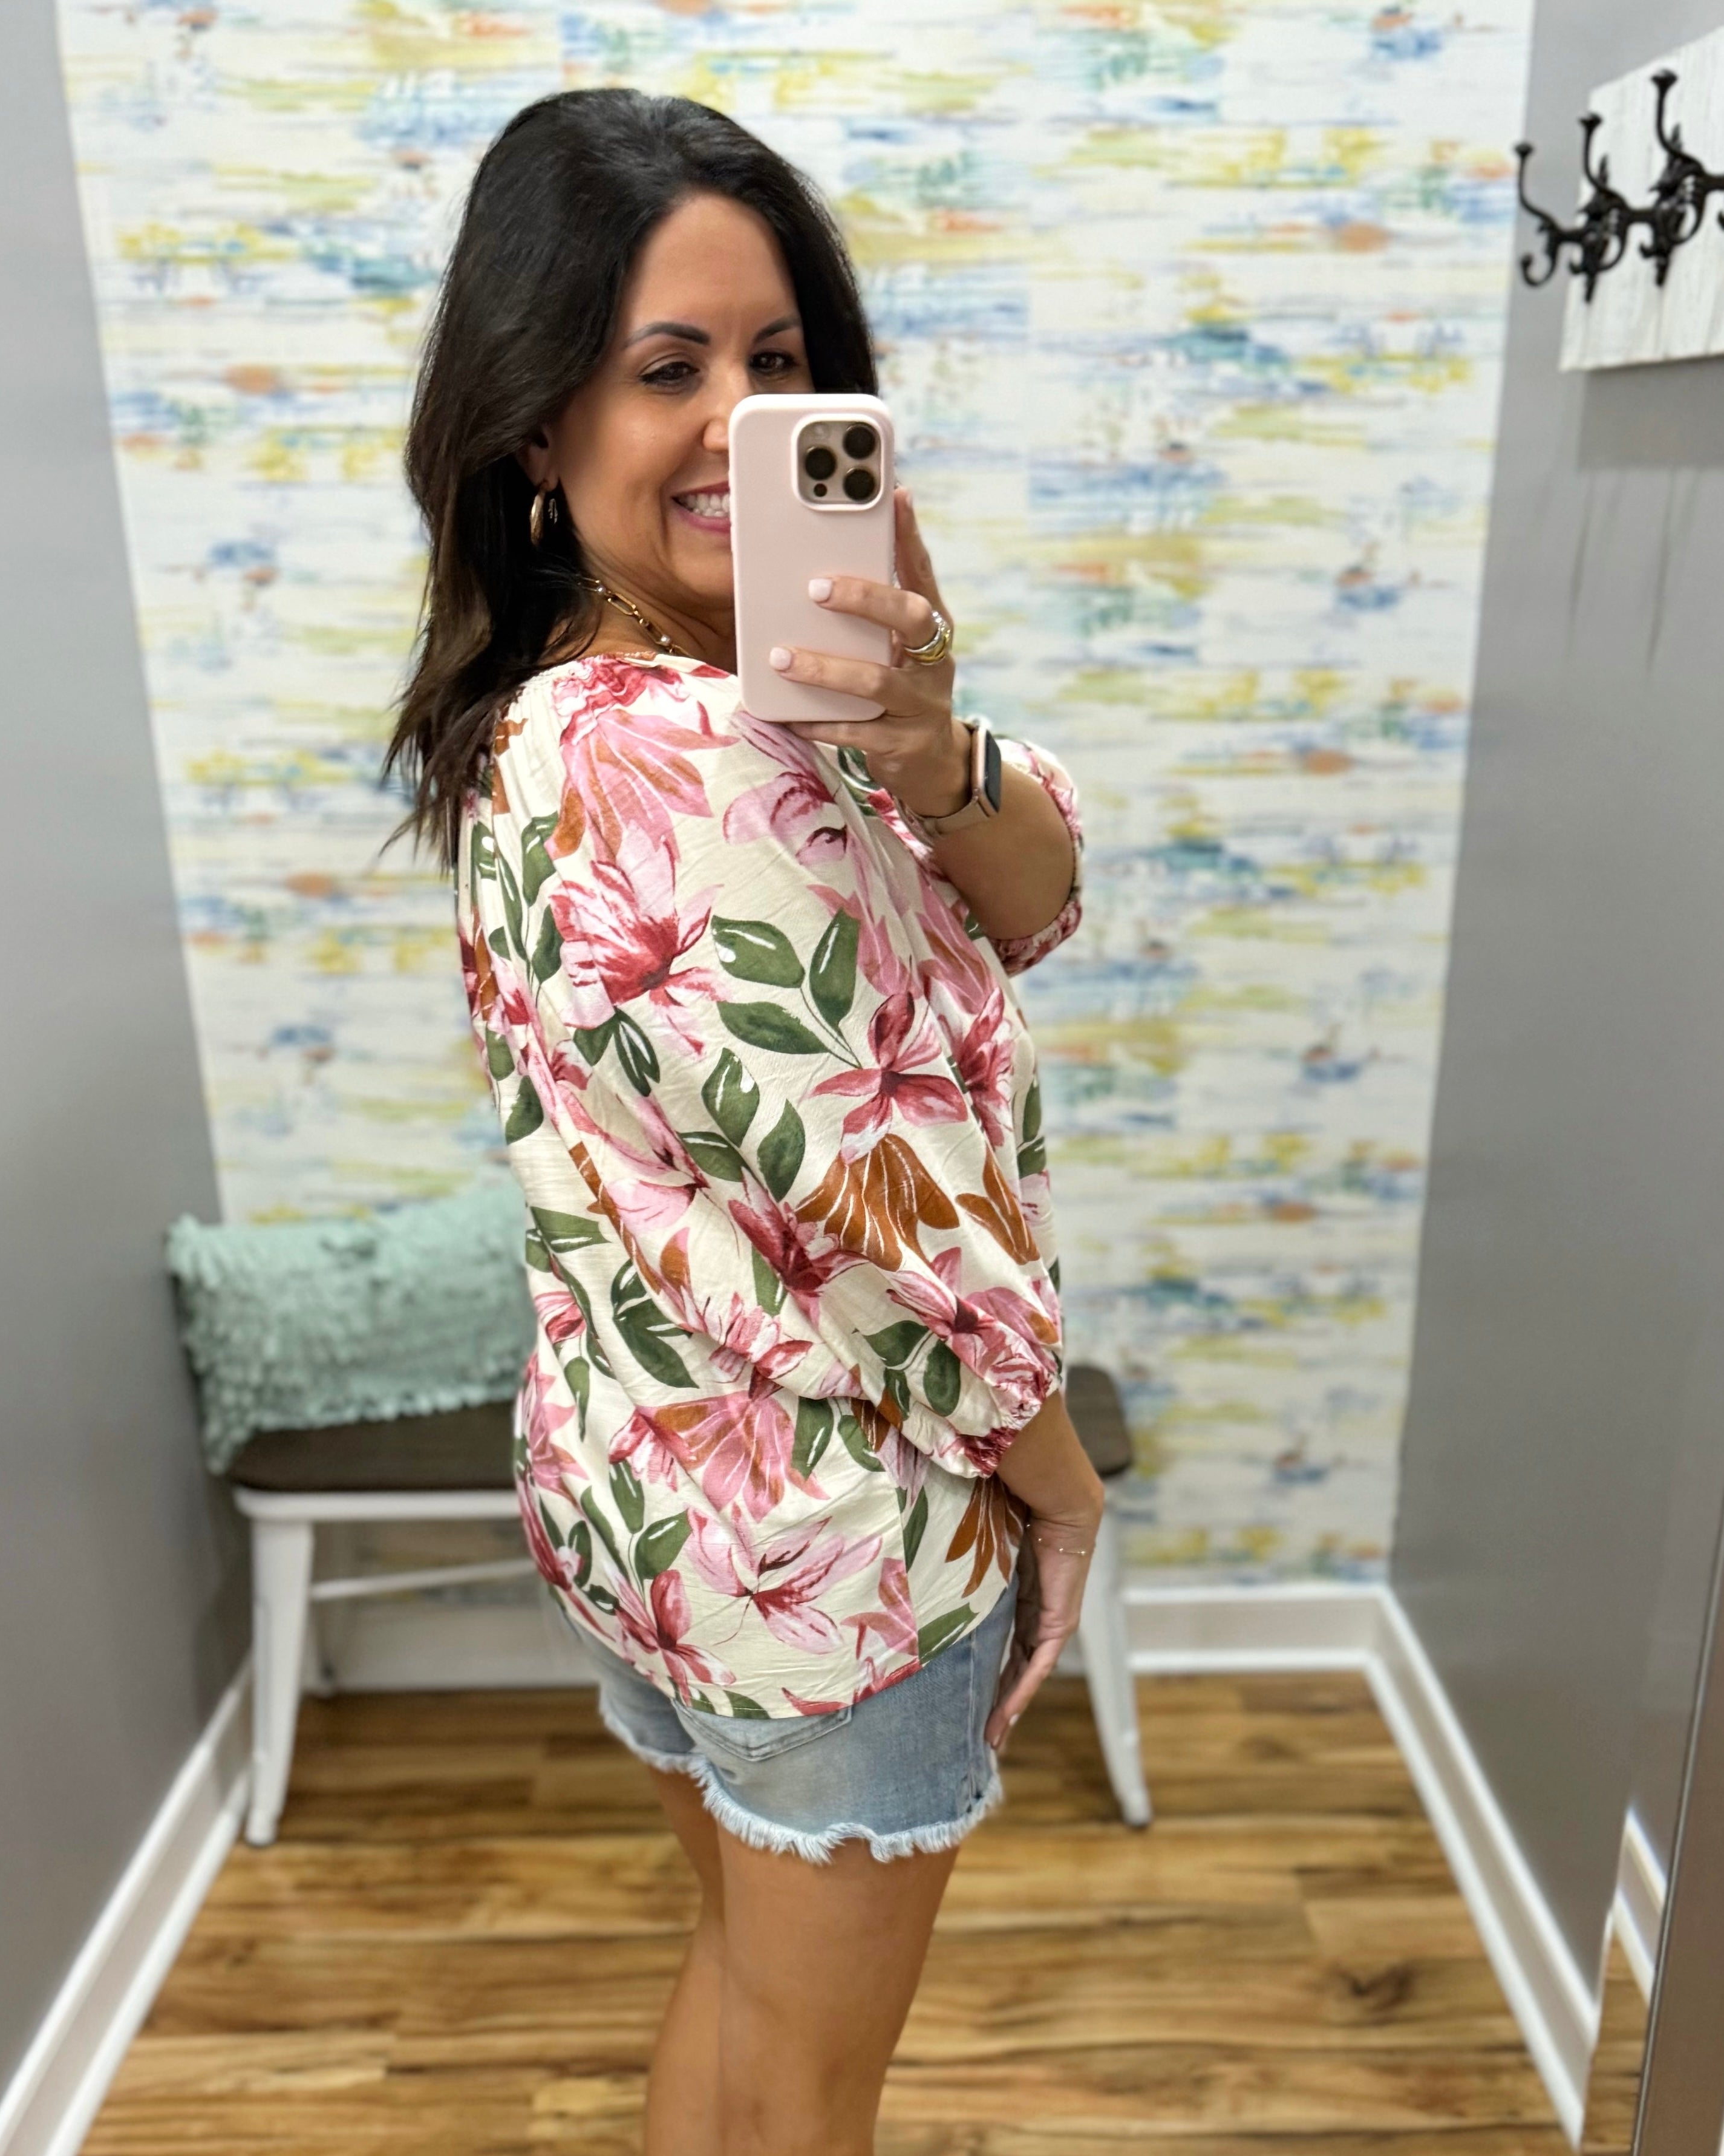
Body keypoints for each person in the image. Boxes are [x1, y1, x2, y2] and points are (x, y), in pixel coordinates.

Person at [385, 87, 1106, 2156]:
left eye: (779, 366)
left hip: (651, 1499)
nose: (735, 420)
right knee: (811, 2095)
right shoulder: (702, 758)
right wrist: (1057, 1478)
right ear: (539, 426)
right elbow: (881, 1212)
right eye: (663, 366)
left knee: (733, 1981)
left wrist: (924, 727)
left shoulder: (561, 719)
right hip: (828, 1534)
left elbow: (1032, 899)